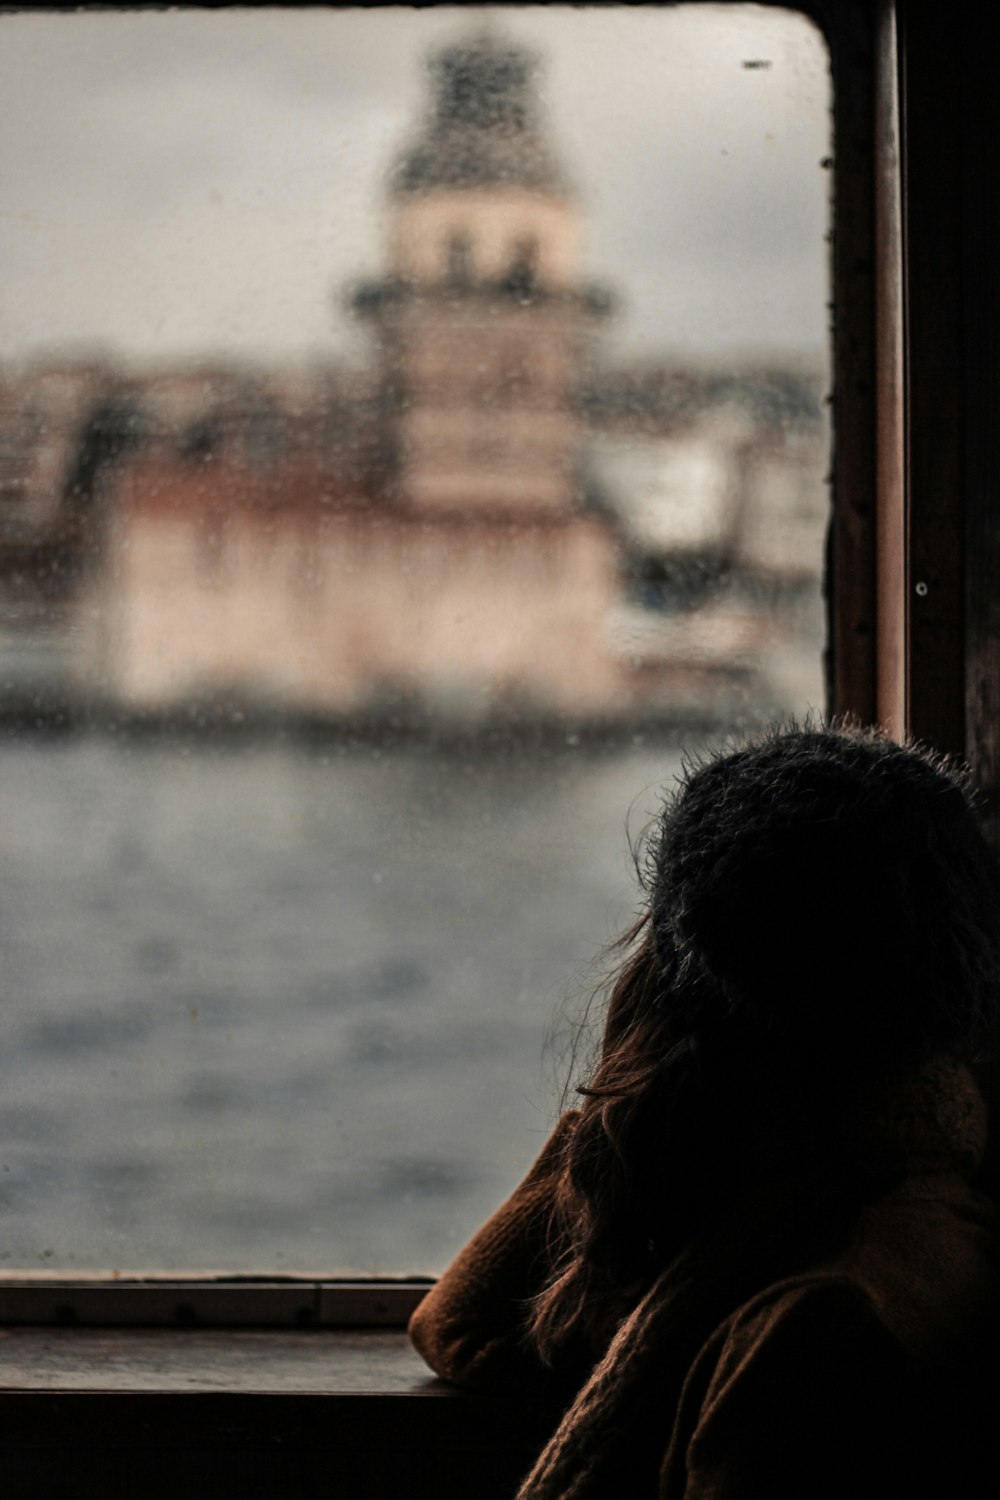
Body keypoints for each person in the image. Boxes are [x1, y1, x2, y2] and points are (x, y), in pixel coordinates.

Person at [409, 724, 1000, 1498]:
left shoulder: (806, 1333)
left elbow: (462, 1328)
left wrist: (629, 1066)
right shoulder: (932, 1206)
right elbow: (471, 1329)